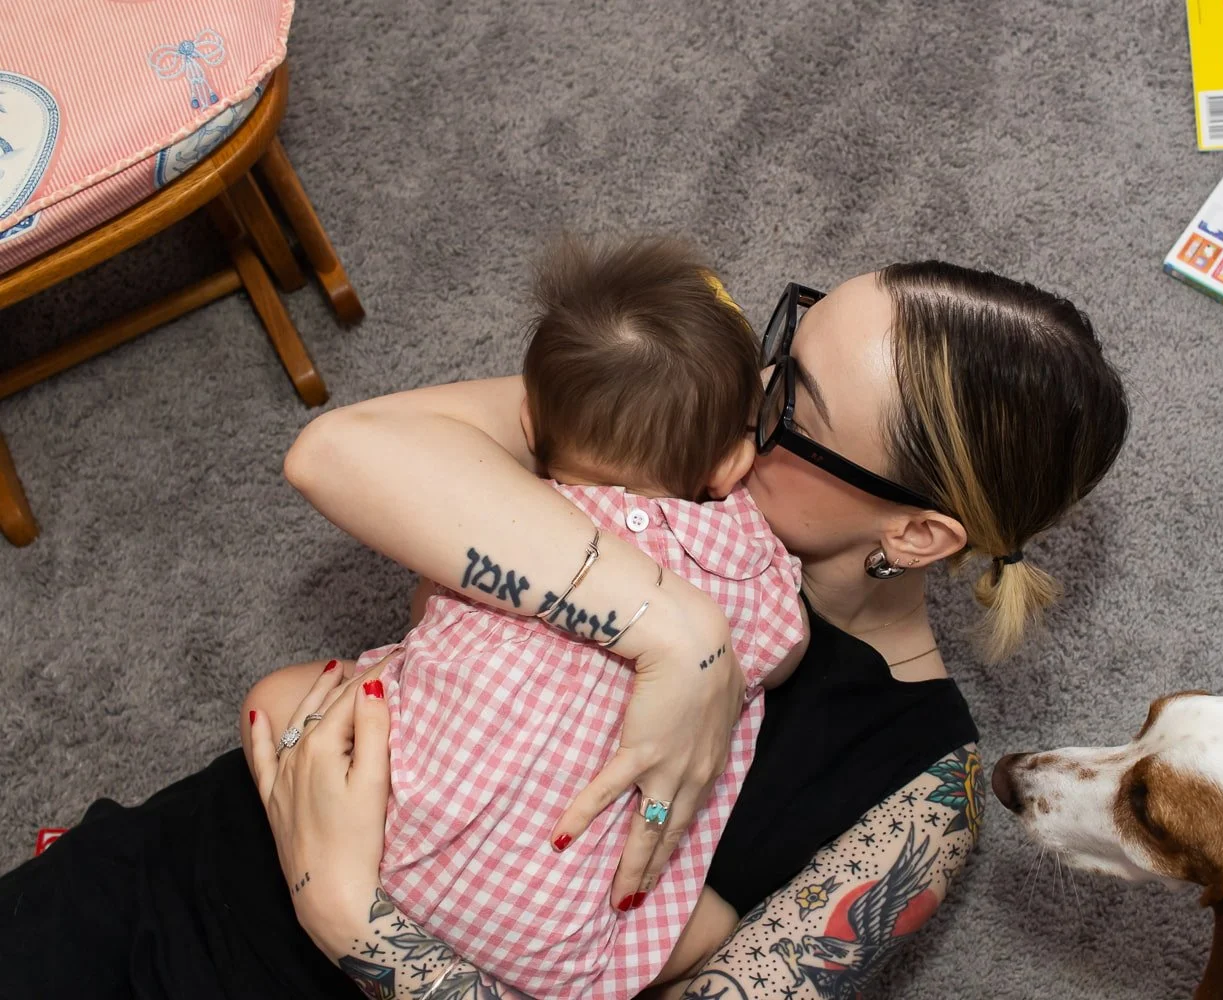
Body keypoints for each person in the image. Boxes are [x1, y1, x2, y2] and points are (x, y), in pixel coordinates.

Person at [0, 260, 1128, 1000]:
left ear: (922, 533)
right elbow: (337, 452)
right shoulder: (675, 421)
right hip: (169, 872)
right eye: (787, 339)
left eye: (793, 404)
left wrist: (348, 916)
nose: (750, 388)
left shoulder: (912, 790)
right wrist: (676, 630)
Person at [246, 236, 807, 999]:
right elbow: (786, 649)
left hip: (379, 836)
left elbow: (424, 604)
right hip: (546, 949)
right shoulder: (750, 563)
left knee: (285, 694)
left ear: (525, 423)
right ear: (732, 466)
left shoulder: (495, 514)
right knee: (712, 925)